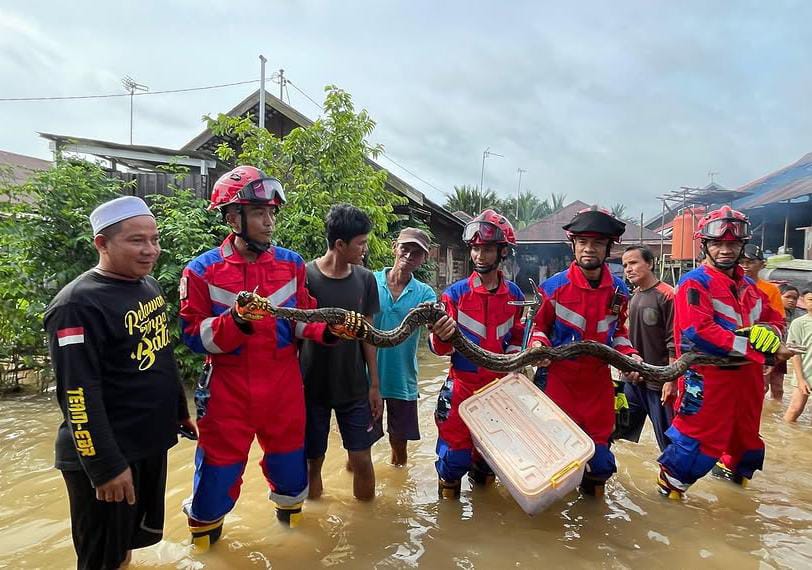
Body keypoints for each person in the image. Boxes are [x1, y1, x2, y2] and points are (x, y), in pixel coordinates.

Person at [179, 166, 342, 550]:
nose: (269, 222)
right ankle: (206, 549)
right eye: (259, 213)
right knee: (215, 480)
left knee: (290, 476)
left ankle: (296, 548)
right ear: (233, 217)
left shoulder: (290, 264)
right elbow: (193, 336)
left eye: (272, 213)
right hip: (227, 389)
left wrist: (332, 330)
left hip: (283, 386)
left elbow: (303, 321)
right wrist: (234, 321)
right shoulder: (201, 271)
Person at [46, 196, 193, 569]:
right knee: (101, 558)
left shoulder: (147, 286)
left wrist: (179, 409)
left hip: (145, 444)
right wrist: (105, 467)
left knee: (124, 545)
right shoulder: (76, 306)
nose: (150, 250)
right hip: (108, 453)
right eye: (137, 241)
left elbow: (159, 351)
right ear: (102, 243)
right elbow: (77, 394)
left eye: (155, 239)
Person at [657, 206, 793, 499]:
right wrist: (755, 346)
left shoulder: (751, 287)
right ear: (705, 244)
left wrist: (771, 333)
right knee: (692, 445)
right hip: (707, 379)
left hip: (748, 379)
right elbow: (699, 331)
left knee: (746, 443)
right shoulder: (694, 282)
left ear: (742, 245)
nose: (725, 249)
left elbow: (776, 320)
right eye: (718, 243)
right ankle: (669, 499)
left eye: (732, 243)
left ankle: (734, 502)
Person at [528, 206, 642, 497]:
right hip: (557, 383)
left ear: (608, 248)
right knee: (554, 461)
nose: (589, 249)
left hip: (598, 385)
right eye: (583, 243)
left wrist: (630, 356)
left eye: (597, 243)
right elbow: (538, 329)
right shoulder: (552, 288)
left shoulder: (619, 292)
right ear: (573, 246)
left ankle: (592, 526)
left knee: (600, 465)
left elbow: (619, 334)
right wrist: (538, 346)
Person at [429, 209, 525, 499]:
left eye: (487, 249)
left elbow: (517, 335)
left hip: (499, 391)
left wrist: (520, 357)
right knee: (454, 461)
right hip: (461, 388)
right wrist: (441, 335)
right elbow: (439, 349)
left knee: (489, 465)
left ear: (502, 252)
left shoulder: (516, 295)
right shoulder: (454, 294)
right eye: (475, 249)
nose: (480, 256)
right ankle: (448, 524)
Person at [300, 204, 382, 501]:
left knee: (362, 461)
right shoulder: (306, 276)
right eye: (360, 242)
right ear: (339, 244)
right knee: (313, 463)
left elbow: (368, 337)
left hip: (354, 389)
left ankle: (366, 532)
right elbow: (296, 334)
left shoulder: (365, 279)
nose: (365, 248)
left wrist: (374, 385)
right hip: (312, 388)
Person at [373, 228, 437, 466]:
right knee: (359, 445)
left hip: (402, 380)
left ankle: (399, 485)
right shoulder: (370, 281)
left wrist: (432, 320)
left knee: (399, 447)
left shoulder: (425, 293)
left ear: (424, 258)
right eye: (405, 248)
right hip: (368, 379)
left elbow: (434, 327)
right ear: (394, 247)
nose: (409, 256)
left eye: (417, 253)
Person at [615, 245, 675, 452]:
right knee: (617, 431)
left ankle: (669, 481)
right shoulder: (634, 297)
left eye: (633, 263)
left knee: (668, 441)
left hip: (658, 381)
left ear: (650, 263)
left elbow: (674, 341)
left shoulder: (668, 295)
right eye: (625, 265)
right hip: (633, 378)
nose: (628, 269)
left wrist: (671, 379)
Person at [740, 244, 787, 400]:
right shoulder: (733, 286)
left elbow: (778, 321)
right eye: (742, 261)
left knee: (774, 385)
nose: (745, 266)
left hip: (768, 341)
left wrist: (773, 350)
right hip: (744, 342)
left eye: (751, 262)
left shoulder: (770, 290)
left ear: (762, 264)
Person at [784, 289, 812, 423]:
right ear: (803, 302)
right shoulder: (799, 323)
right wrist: (801, 379)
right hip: (806, 372)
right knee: (795, 408)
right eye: (810, 300)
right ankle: (785, 439)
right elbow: (795, 354)